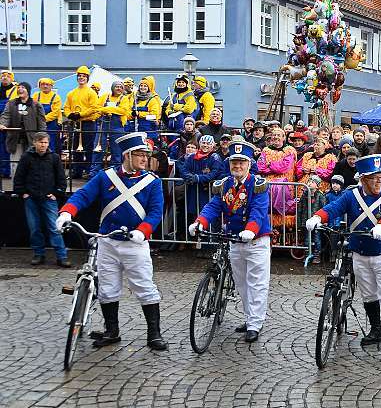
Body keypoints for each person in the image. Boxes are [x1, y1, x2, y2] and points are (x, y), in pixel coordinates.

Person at [56, 132, 167, 351]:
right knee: (107, 288)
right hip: (107, 241)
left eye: (146, 155)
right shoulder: (106, 177)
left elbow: (155, 212)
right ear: (127, 155)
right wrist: (67, 212)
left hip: (135, 243)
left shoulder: (152, 182)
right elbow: (83, 195)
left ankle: (154, 333)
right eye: (140, 155)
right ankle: (112, 330)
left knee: (144, 287)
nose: (145, 159)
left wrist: (143, 231)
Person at [306, 154, 381, 354]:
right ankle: (376, 329)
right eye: (373, 177)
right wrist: (318, 216)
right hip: (359, 251)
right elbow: (334, 208)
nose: (378, 181)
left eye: (380, 177)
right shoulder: (352, 195)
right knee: (368, 293)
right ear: (363, 179)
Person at [190, 139, 272, 343]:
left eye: (241, 162)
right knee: (242, 283)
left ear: (248, 164)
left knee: (257, 283)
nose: (237, 166)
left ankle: (255, 323)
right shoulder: (224, 184)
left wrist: (251, 230)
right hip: (235, 240)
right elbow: (214, 206)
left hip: (256, 240)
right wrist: (200, 221)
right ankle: (249, 317)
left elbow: (259, 211)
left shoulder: (258, 184)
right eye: (234, 162)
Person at [14, 132, 70, 266]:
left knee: (54, 227)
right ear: (34, 143)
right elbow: (19, 176)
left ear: (48, 143)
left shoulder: (54, 158)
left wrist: (56, 193)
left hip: (49, 199)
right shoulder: (26, 157)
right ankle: (39, 254)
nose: (43, 145)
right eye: (40, 142)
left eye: (45, 142)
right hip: (31, 199)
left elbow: (61, 178)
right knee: (34, 228)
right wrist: (23, 193)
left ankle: (61, 256)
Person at [177, 134, 225, 227]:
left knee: (207, 213)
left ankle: (208, 238)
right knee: (193, 214)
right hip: (193, 191)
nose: (205, 145)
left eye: (208, 143)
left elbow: (214, 174)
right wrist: (189, 177)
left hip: (207, 192)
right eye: (203, 143)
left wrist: (198, 178)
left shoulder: (215, 157)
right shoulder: (191, 157)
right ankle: (194, 237)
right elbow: (183, 170)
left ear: (212, 146)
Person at [63, 66, 102, 178]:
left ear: (87, 78)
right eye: (79, 76)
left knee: (89, 148)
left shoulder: (91, 92)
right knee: (75, 148)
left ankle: (88, 171)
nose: (81, 78)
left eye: (84, 76)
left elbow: (94, 107)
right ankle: (77, 171)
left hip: (88, 123)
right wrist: (69, 114)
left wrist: (80, 114)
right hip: (75, 123)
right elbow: (66, 107)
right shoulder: (71, 93)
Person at [0, 81, 47, 173]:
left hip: (31, 140)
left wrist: (42, 138)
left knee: (31, 165)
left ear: (28, 91)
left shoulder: (36, 105)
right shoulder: (11, 104)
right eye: (19, 87)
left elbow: (42, 123)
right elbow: (6, 116)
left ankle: (30, 186)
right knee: (15, 165)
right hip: (15, 140)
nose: (20, 89)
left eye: (23, 87)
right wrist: (2, 124)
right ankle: (17, 186)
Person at [91, 80, 132, 177]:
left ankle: (115, 173)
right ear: (112, 87)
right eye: (117, 86)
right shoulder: (105, 96)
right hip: (103, 126)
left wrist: (106, 109)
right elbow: (96, 107)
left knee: (117, 151)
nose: (119, 88)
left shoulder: (124, 99)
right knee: (98, 149)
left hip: (117, 127)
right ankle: (94, 173)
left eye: (121, 87)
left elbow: (123, 111)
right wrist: (107, 110)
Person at [33, 78, 63, 155]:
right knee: (38, 144)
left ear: (51, 86)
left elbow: (55, 113)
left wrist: (42, 120)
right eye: (43, 84)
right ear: (39, 86)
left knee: (51, 145)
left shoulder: (56, 97)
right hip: (38, 125)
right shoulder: (36, 96)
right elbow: (33, 109)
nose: (45, 86)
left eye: (47, 84)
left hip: (52, 125)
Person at [132, 76, 162, 140]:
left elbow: (154, 116)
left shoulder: (153, 100)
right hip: (136, 129)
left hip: (149, 130)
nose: (142, 87)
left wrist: (139, 114)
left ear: (149, 88)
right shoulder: (135, 99)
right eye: (141, 85)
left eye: (145, 86)